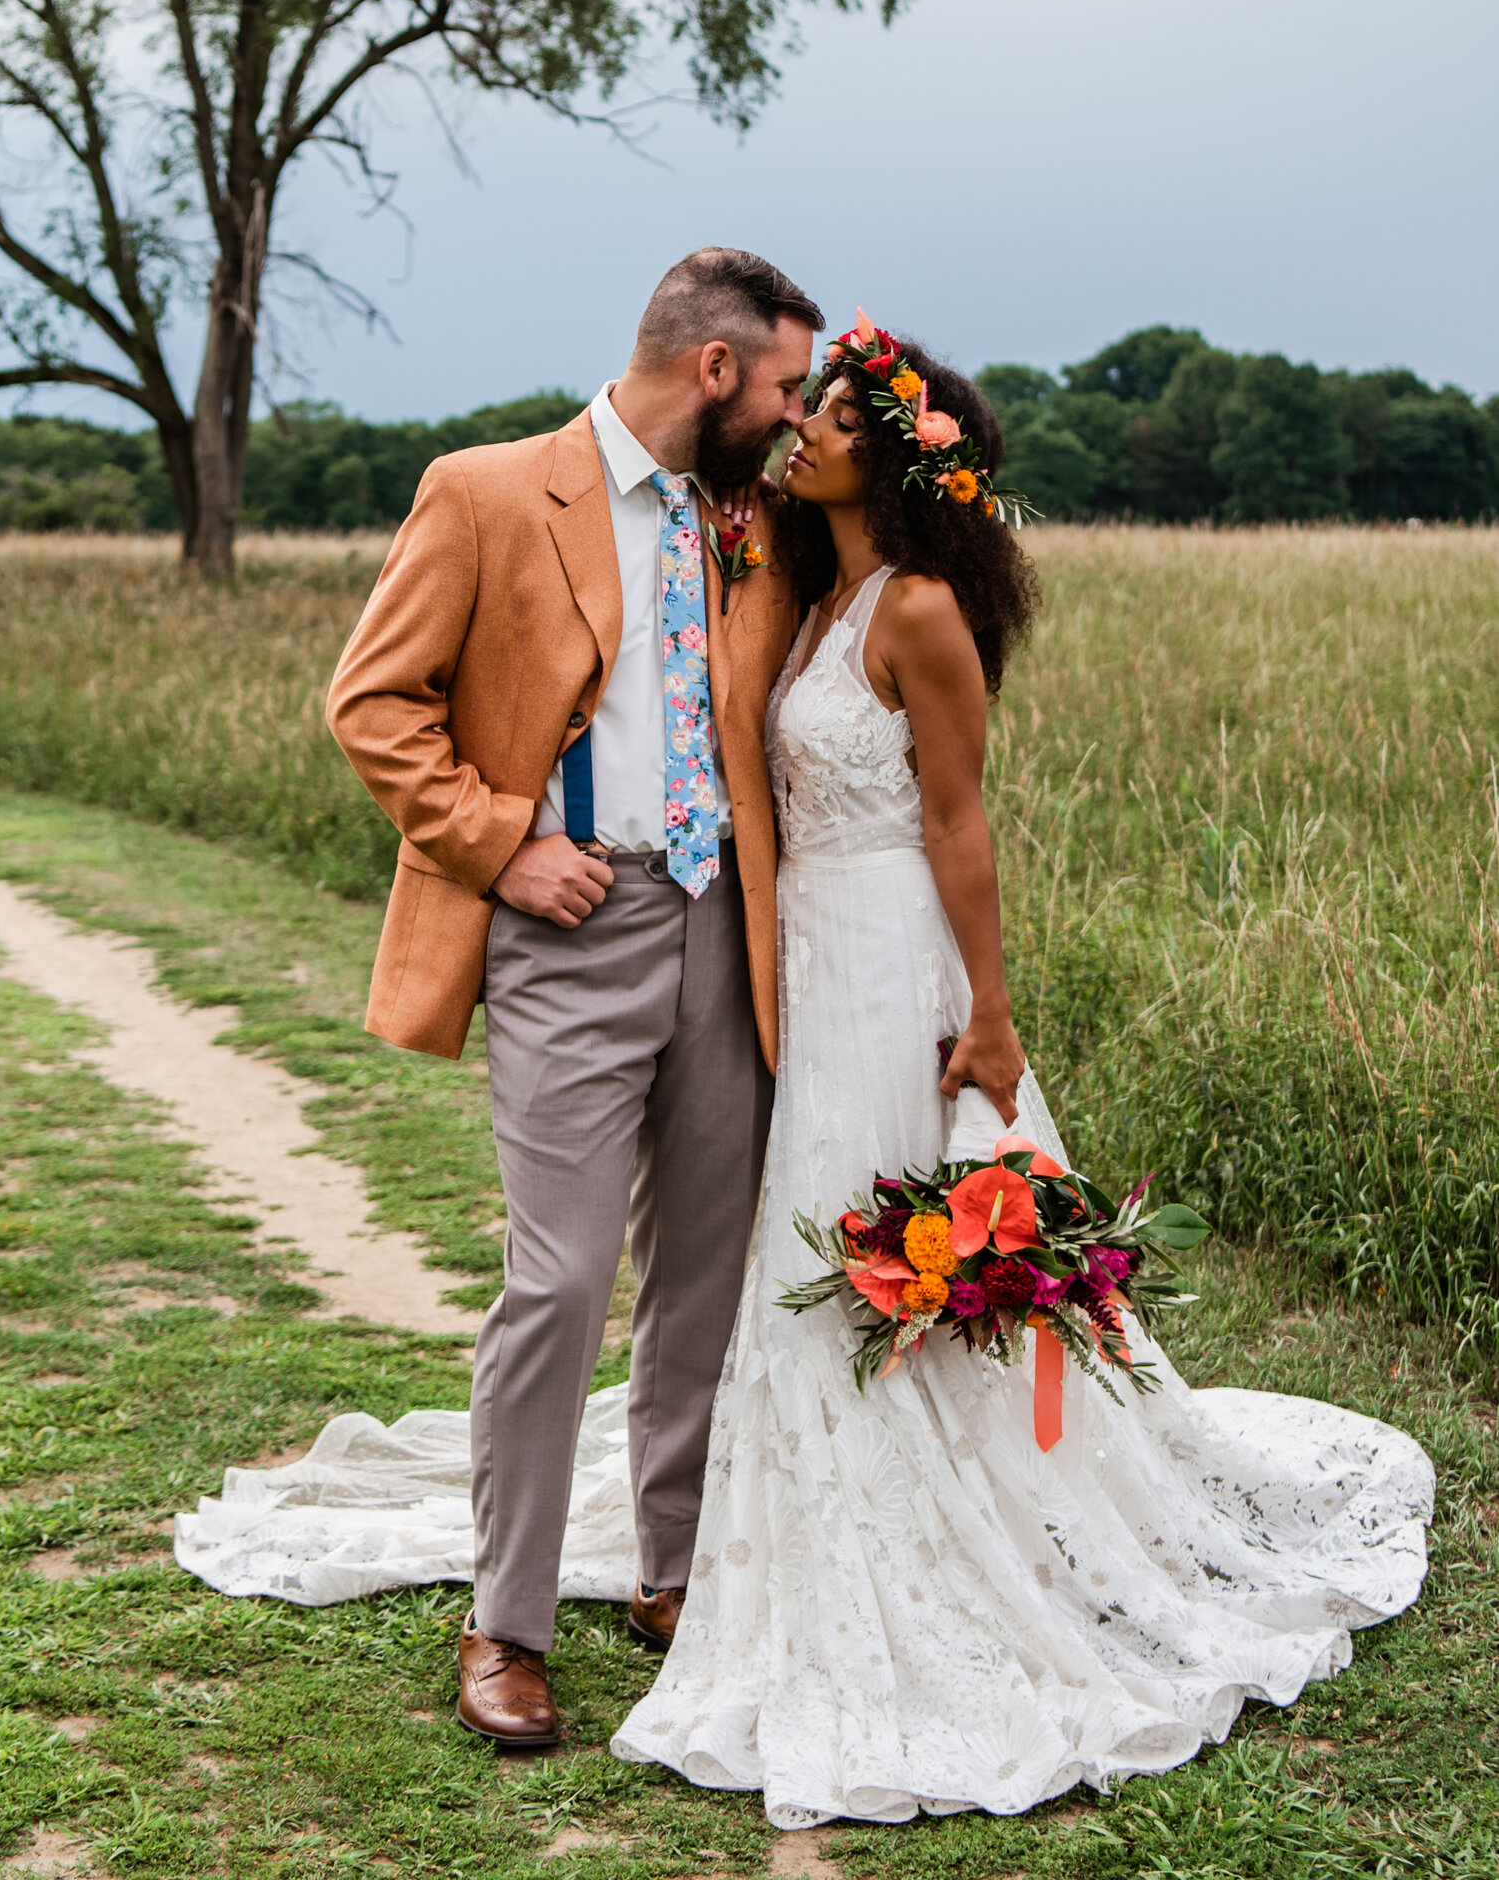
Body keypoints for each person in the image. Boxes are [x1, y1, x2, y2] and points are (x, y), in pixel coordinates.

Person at [608, 320, 1433, 1827]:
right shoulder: (808, 589)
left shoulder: (913, 608)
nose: (802, 430)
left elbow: (957, 824)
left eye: (834, 417)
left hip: (897, 962)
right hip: (805, 956)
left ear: (900, 458)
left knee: (882, 1223)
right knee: (804, 1234)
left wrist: (989, 1015)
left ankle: (974, 1518)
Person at [319, 248, 820, 1746]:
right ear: (713, 371)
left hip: (731, 940)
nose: (797, 419)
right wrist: (500, 843)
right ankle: (505, 1623)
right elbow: (371, 700)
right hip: (570, 928)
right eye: (784, 385)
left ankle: (672, 1573)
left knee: (700, 1284)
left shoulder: (760, 525)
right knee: (557, 1281)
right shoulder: (485, 491)